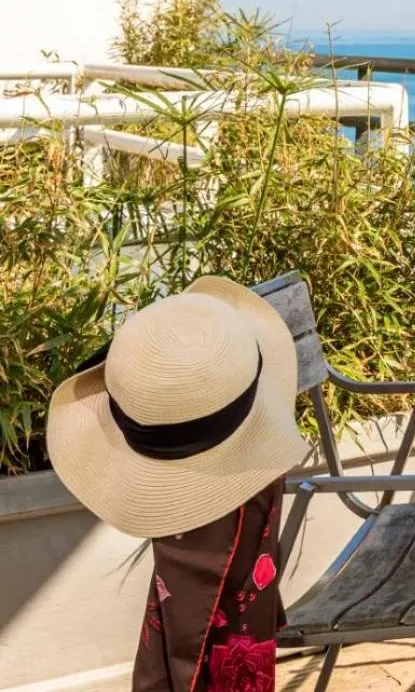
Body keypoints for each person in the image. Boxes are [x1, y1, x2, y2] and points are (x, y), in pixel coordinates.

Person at [48, 277, 307, 692]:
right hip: (236, 458)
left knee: (197, 585)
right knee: (201, 582)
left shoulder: (198, 352)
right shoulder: (202, 378)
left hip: (231, 468)